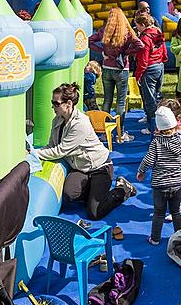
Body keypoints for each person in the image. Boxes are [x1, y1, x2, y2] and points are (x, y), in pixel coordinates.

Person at [37, 82, 137, 220]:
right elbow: (51, 145)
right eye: (52, 102)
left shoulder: (80, 123)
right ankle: (92, 192)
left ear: (69, 104)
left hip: (100, 167)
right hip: (81, 168)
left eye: (56, 103)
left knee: (94, 213)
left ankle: (123, 189)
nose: (52, 106)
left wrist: (34, 154)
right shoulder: (57, 121)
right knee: (68, 195)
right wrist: (34, 151)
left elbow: (60, 151)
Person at [136, 106, 181, 245]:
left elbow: (148, 159)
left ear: (157, 127)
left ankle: (155, 238)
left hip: (160, 185)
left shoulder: (156, 143)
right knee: (176, 212)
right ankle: (180, 238)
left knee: (159, 213)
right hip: (178, 184)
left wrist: (141, 171)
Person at [89, 7, 144, 142]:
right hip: (121, 69)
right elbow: (140, 45)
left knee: (107, 100)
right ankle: (121, 132)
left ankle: (103, 133)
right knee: (120, 101)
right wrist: (126, 53)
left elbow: (89, 41)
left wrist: (102, 51)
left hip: (107, 68)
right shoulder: (126, 32)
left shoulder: (104, 30)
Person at [135, 13, 168, 135]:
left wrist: (138, 75)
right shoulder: (158, 32)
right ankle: (162, 125)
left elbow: (143, 59)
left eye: (137, 25)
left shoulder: (145, 38)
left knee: (150, 100)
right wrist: (162, 60)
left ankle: (152, 127)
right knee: (158, 96)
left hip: (149, 68)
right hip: (159, 66)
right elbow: (164, 50)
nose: (137, 28)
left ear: (143, 25)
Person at [159, 98, 181, 216]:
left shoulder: (176, 131)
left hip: (179, 166)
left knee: (177, 187)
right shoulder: (175, 125)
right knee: (178, 186)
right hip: (178, 165)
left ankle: (179, 208)